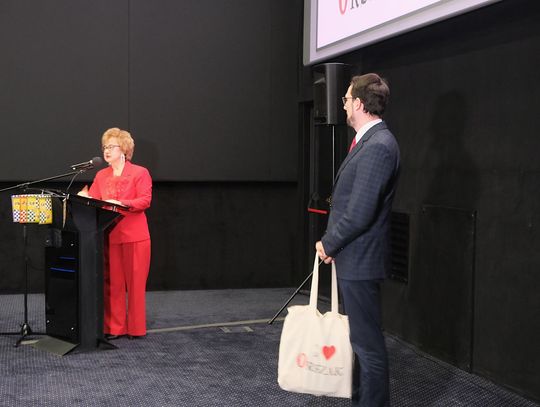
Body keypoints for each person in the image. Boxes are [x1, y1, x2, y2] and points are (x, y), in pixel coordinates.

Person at [315, 73, 400, 407]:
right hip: (355, 257)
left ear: (360, 104)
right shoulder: (370, 142)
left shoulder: (379, 145)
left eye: (347, 99)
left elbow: (360, 212)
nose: (344, 105)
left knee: (368, 347)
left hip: (362, 261)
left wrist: (329, 243)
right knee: (361, 344)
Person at [78, 127, 152, 340]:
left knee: (135, 285)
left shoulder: (140, 172)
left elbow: (145, 200)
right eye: (105, 147)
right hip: (110, 235)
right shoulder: (101, 175)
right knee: (113, 285)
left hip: (135, 236)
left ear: (124, 149)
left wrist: (120, 202)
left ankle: (136, 329)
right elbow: (95, 200)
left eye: (111, 146)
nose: (106, 151)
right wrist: (85, 197)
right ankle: (115, 328)